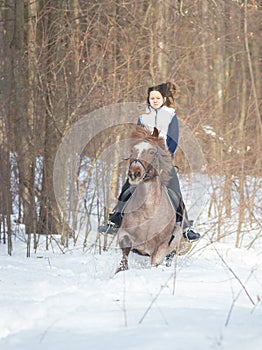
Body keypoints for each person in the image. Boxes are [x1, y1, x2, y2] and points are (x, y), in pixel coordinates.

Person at [98, 82, 200, 242]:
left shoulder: (171, 117)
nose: (154, 100)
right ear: (149, 99)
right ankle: (115, 220)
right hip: (144, 159)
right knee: (128, 185)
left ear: (164, 99)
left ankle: (185, 226)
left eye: (157, 97)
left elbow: (173, 141)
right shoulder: (143, 118)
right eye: (152, 98)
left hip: (164, 160)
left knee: (175, 190)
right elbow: (138, 136)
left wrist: (164, 158)